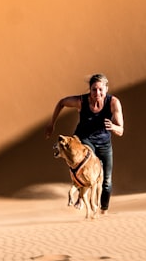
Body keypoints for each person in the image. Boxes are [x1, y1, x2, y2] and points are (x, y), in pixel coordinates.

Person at [45, 73, 124, 214]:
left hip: (104, 143)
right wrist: (52, 123)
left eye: (101, 89)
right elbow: (62, 102)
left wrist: (113, 127)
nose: (97, 93)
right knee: (85, 163)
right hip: (84, 140)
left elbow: (121, 130)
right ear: (90, 89)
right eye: (94, 89)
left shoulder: (113, 103)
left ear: (106, 89)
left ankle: (103, 210)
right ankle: (82, 196)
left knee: (106, 182)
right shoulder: (81, 101)